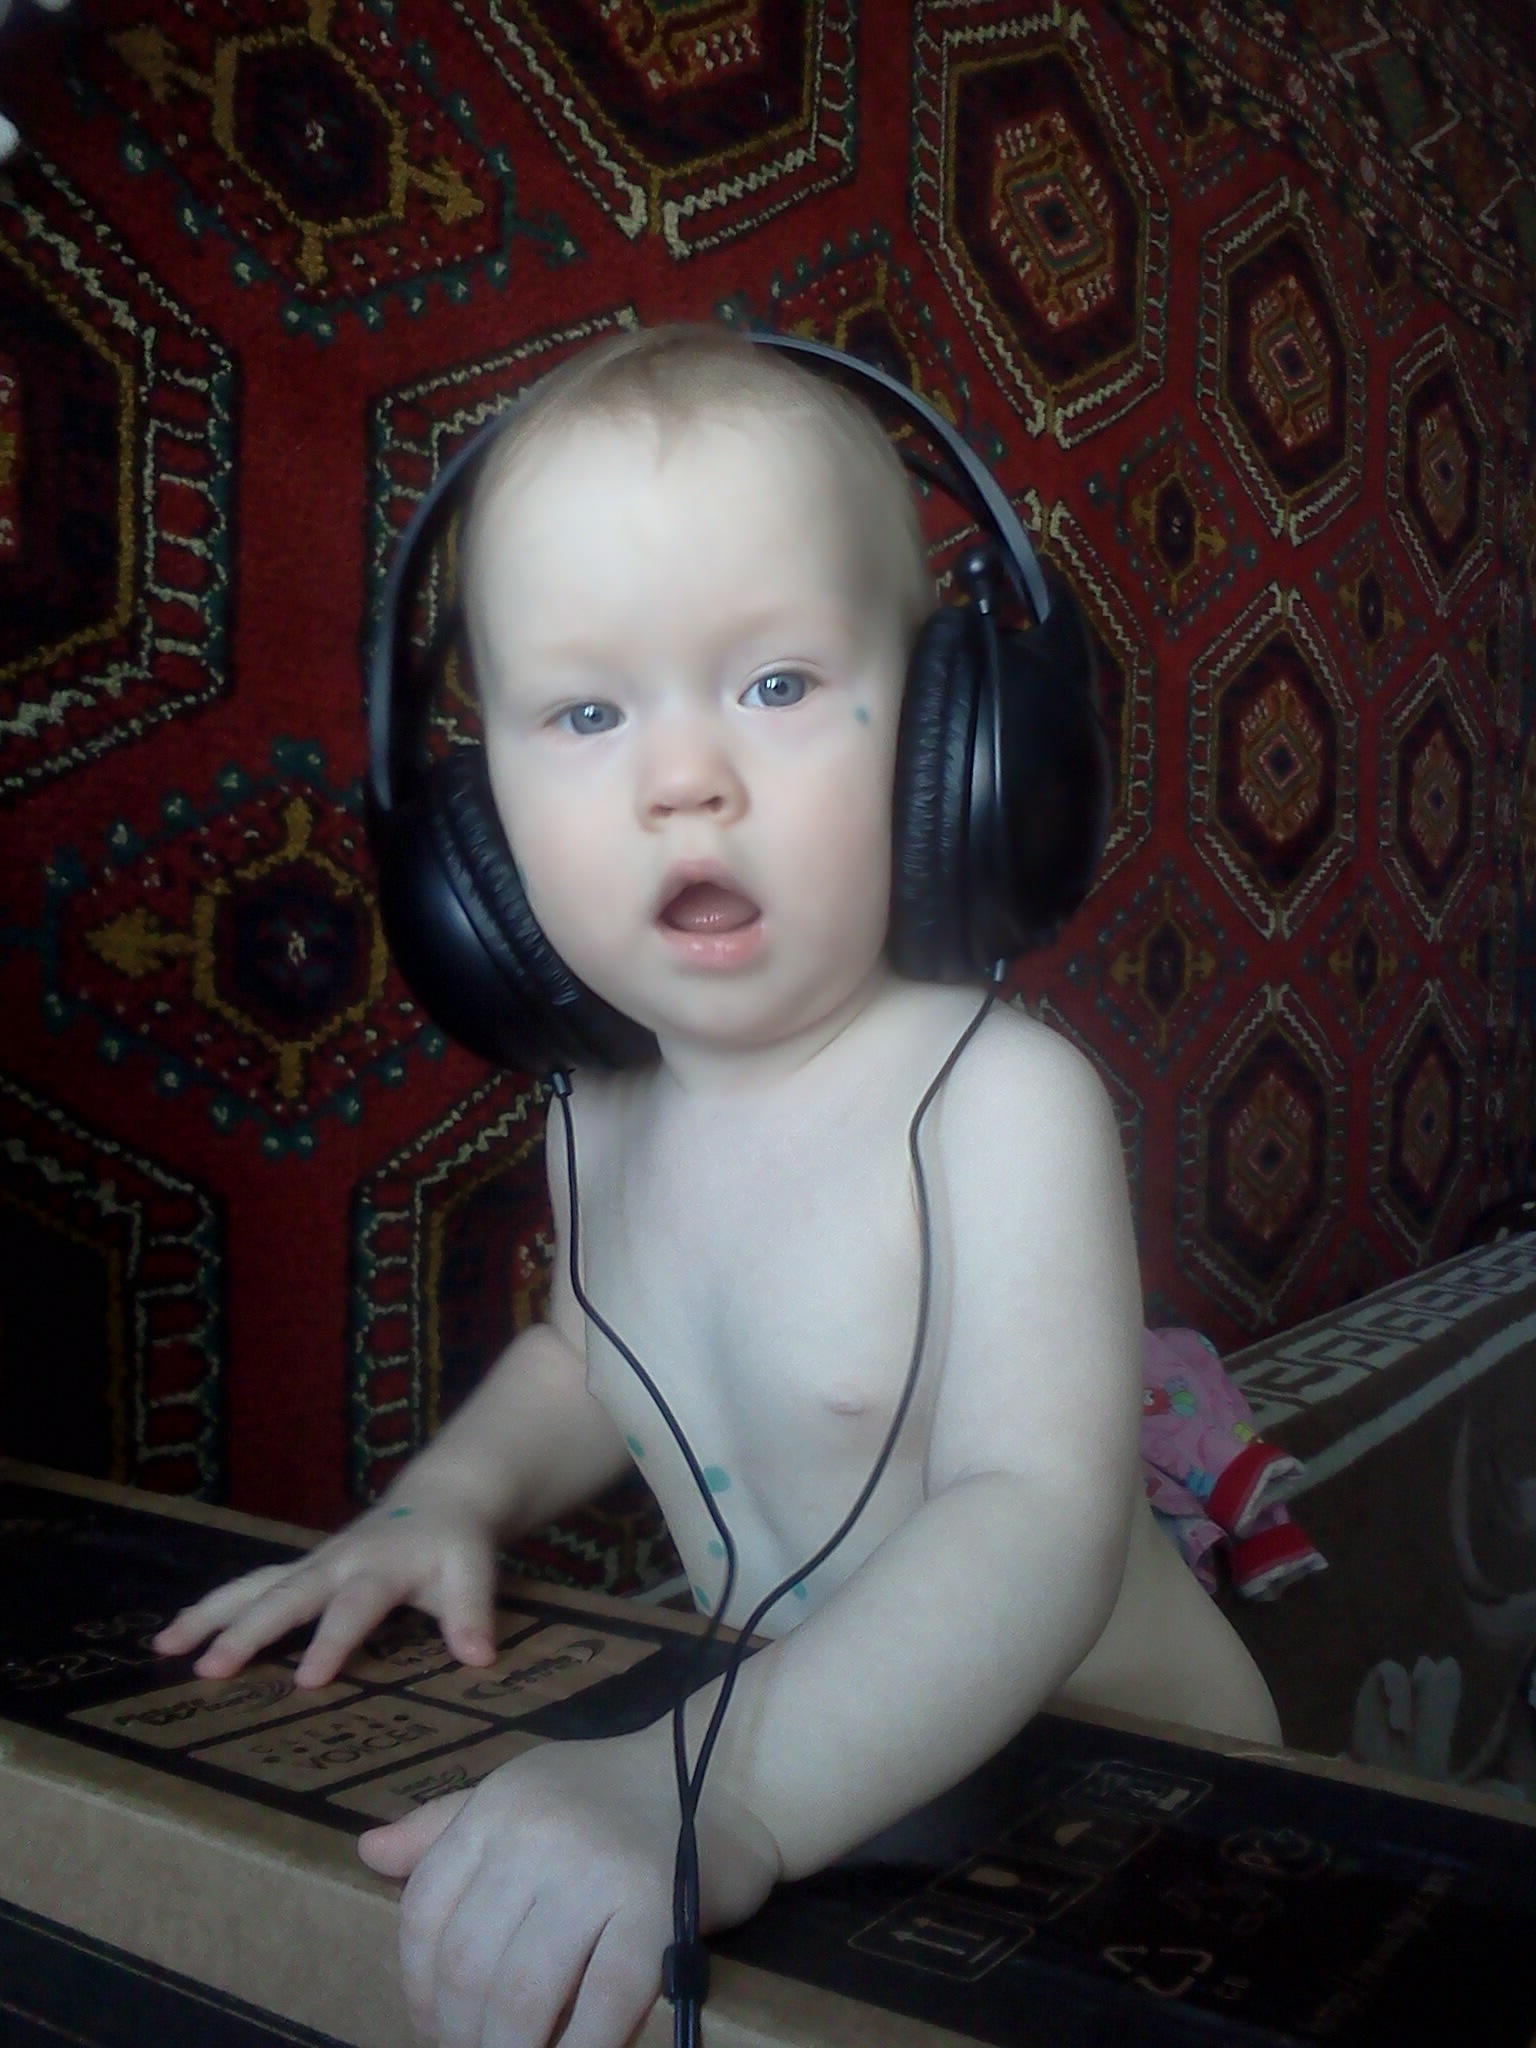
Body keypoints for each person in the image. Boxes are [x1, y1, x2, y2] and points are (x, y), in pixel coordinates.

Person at [153, 325, 1280, 2048]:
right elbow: (587, 1358)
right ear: (470, 837)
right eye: (586, 712)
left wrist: (719, 1787)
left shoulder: (1003, 1105)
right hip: (817, 1778)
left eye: (775, 685)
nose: (684, 780)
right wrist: (445, 1498)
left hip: (1146, 1804)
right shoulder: (595, 1112)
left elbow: (1035, 1522)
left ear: (957, 749)